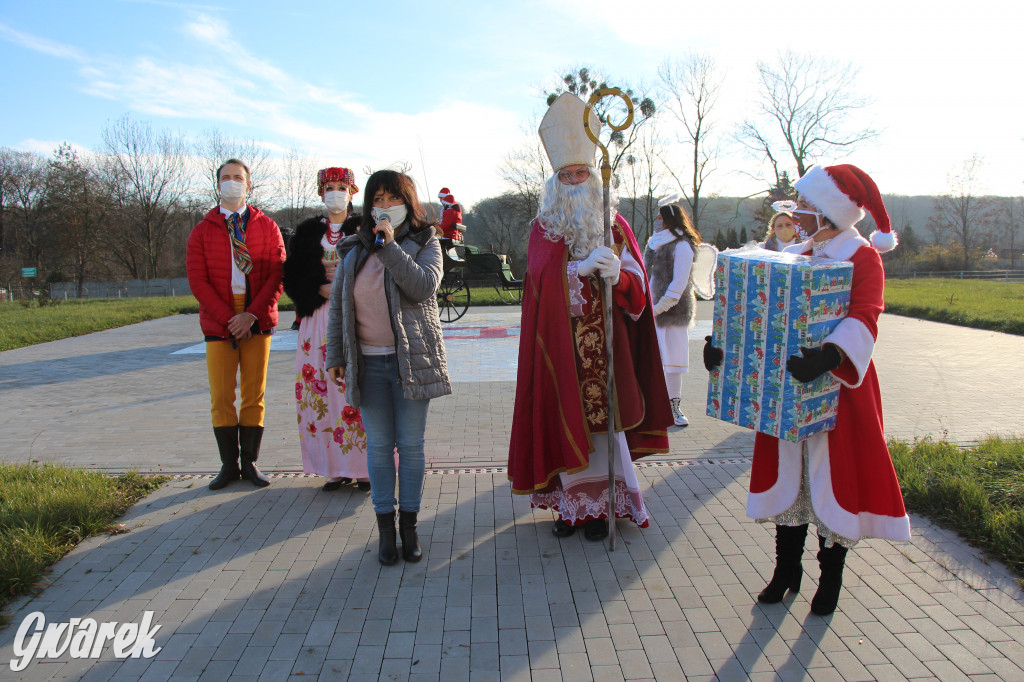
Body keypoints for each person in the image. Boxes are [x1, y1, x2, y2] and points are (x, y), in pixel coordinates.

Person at [703, 163, 909, 615]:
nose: (797, 213)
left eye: (807, 206)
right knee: (791, 479)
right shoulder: (792, 254)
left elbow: (866, 312)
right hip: (786, 386)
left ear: (831, 213)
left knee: (832, 480)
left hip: (838, 386)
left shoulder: (860, 256)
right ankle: (786, 570)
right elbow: (756, 308)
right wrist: (723, 346)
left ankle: (830, 575)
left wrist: (831, 355)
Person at [508, 92, 673, 541]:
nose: (576, 180)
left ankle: (604, 509)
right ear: (555, 181)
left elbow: (639, 294)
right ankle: (571, 508)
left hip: (609, 350)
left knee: (605, 429)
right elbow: (538, 287)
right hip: (562, 350)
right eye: (567, 174)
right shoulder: (543, 230)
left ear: (596, 179)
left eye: (582, 173)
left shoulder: (614, 225)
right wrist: (573, 272)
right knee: (564, 420)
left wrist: (618, 276)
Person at [325, 169, 451, 566]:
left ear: (407, 202)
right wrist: (336, 357)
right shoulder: (354, 249)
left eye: (391, 199)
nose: (383, 207)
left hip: (411, 363)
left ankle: (409, 526)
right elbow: (338, 307)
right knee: (379, 448)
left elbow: (422, 287)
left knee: (410, 447)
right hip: (368, 364)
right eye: (376, 200)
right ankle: (384, 529)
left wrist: (391, 247)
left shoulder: (426, 242)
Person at [186, 158, 285, 490]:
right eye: (226, 178)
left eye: (238, 178)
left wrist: (251, 315)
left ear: (249, 184)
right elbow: (198, 281)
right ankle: (228, 465)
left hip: (256, 318)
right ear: (218, 185)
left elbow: (276, 274)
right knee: (221, 395)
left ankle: (250, 463)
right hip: (219, 322)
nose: (232, 183)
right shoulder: (201, 231)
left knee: (253, 395)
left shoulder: (267, 226)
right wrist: (229, 319)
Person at [283, 167, 371, 492]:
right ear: (321, 193)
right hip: (316, 318)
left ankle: (362, 466)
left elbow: (374, 268)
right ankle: (333, 467)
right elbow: (291, 275)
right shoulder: (307, 232)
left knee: (352, 387)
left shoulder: (364, 228)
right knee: (317, 388)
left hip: (351, 317)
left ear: (351, 191)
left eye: (341, 187)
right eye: (329, 187)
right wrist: (316, 288)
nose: (335, 192)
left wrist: (343, 287)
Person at [644, 198, 703, 428]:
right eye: (657, 218)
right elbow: (646, 276)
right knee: (654, 360)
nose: (658, 222)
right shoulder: (653, 243)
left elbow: (678, 284)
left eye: (661, 218)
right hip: (650, 311)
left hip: (672, 312)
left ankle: (673, 407)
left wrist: (658, 308)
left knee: (674, 361)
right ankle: (652, 407)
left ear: (671, 220)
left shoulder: (682, 245)